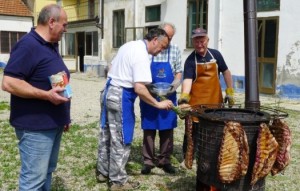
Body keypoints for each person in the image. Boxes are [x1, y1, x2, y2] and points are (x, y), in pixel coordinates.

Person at [1, 4, 70, 191]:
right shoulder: (28, 45)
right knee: (33, 180)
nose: (66, 29)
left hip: (53, 123)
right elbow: (9, 83)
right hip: (35, 128)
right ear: (52, 22)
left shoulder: (51, 45)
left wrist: (63, 116)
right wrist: (46, 96)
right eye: (64, 25)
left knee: (46, 172)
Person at [96, 28, 173, 191]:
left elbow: (111, 68)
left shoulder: (129, 45)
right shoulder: (142, 56)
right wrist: (158, 103)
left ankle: (103, 172)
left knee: (107, 135)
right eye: (162, 46)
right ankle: (118, 181)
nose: (161, 51)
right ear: (154, 40)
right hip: (121, 96)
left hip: (108, 91)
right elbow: (139, 88)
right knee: (122, 138)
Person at [178, 28, 234, 191]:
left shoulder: (216, 55)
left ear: (207, 40)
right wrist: (183, 99)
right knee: (192, 132)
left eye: (202, 40)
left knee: (215, 133)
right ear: (193, 42)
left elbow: (226, 72)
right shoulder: (190, 60)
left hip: (215, 103)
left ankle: (213, 158)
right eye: (196, 40)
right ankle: (188, 158)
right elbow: (187, 81)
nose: (199, 43)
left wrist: (229, 91)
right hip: (197, 105)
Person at [139, 23, 182, 175]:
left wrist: (173, 87)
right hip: (149, 93)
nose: (168, 40)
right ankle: (148, 161)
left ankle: (165, 160)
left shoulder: (175, 49)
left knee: (167, 127)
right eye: (167, 36)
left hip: (168, 94)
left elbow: (178, 73)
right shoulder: (148, 48)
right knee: (149, 127)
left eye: (171, 37)